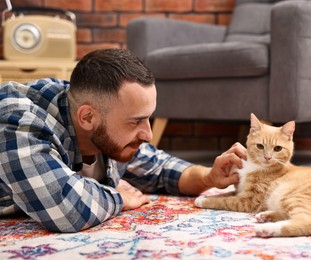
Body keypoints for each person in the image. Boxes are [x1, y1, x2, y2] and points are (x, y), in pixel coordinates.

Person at [0, 48, 245, 233]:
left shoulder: (105, 119)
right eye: (135, 122)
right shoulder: (18, 121)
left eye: (148, 119)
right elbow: (65, 208)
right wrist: (119, 197)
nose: (148, 134)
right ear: (87, 117)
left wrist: (209, 177)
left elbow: (160, 168)